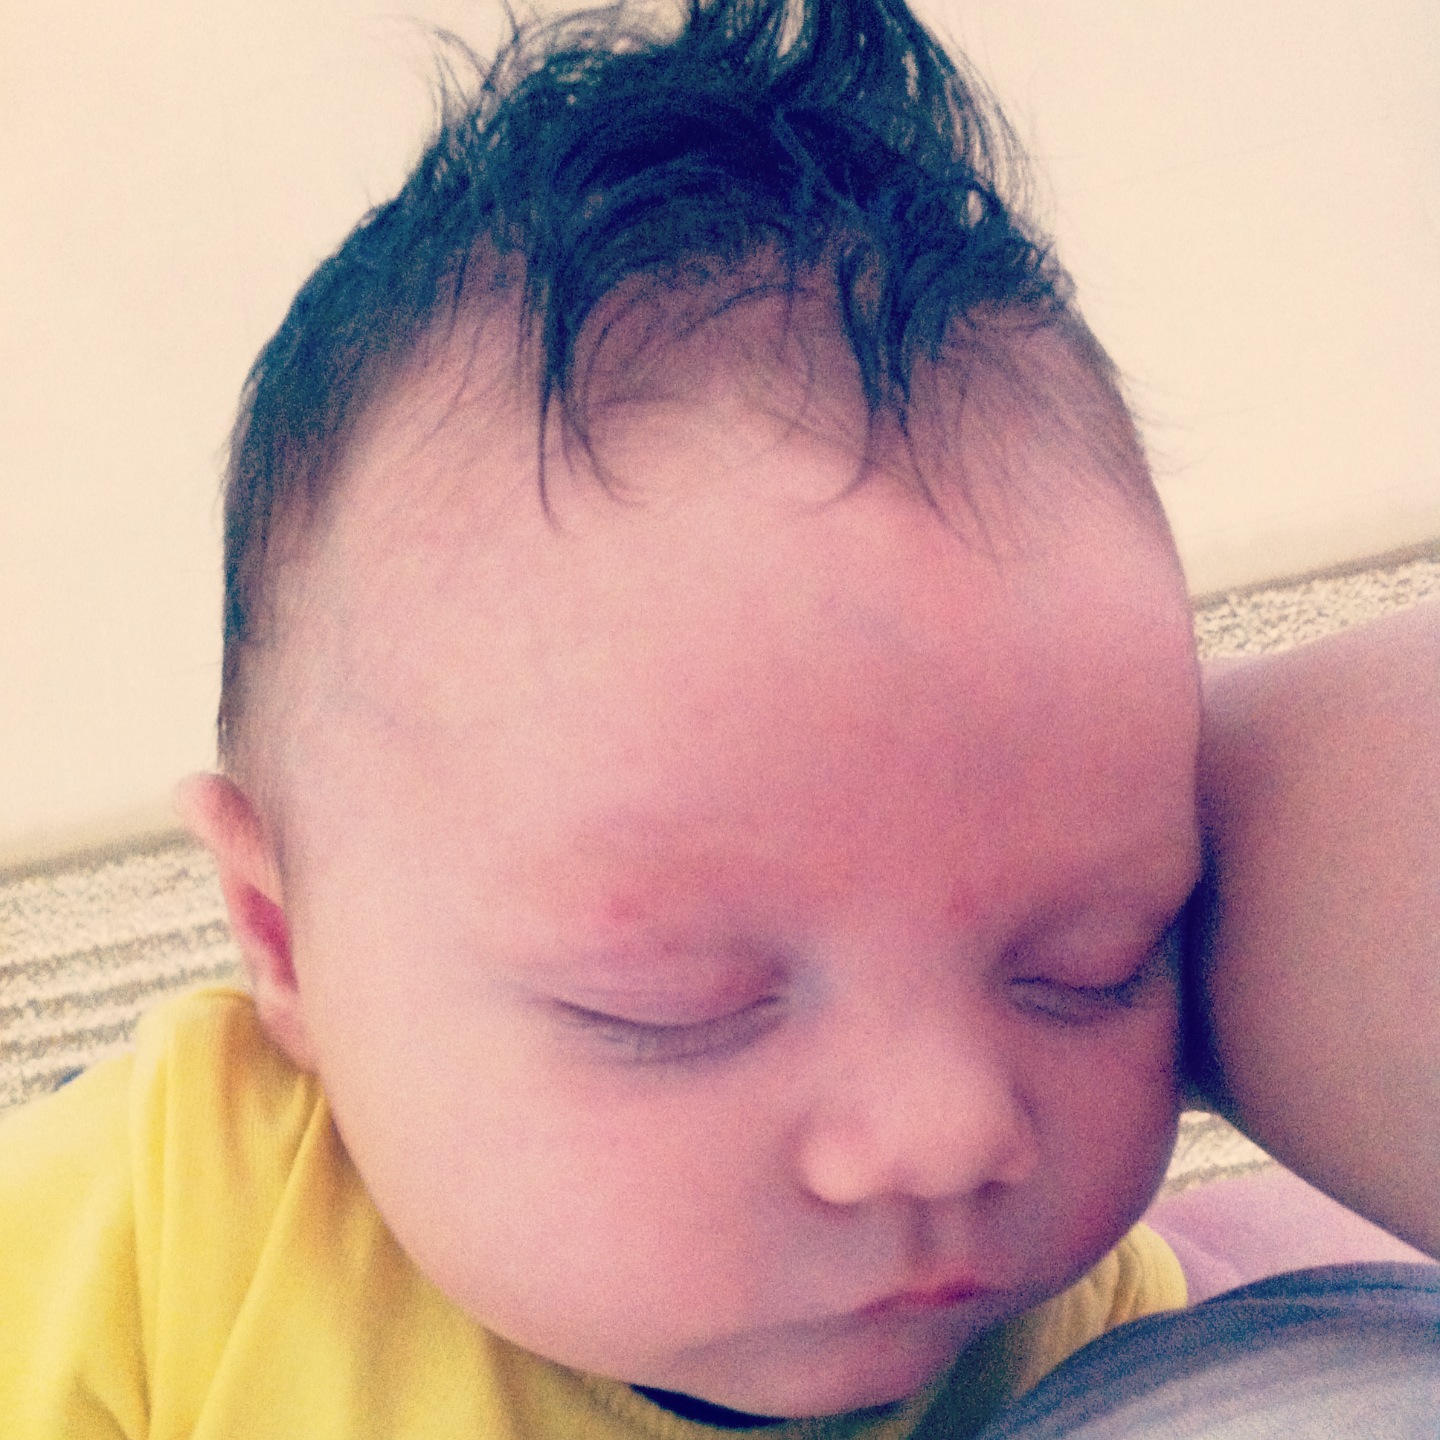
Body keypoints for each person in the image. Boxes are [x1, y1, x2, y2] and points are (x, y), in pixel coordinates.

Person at [0, 1, 1432, 1435]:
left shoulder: (1091, 1340)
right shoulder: (151, 1228)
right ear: (280, 937)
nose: (949, 1134)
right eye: (670, 1002)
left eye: (1093, 965)